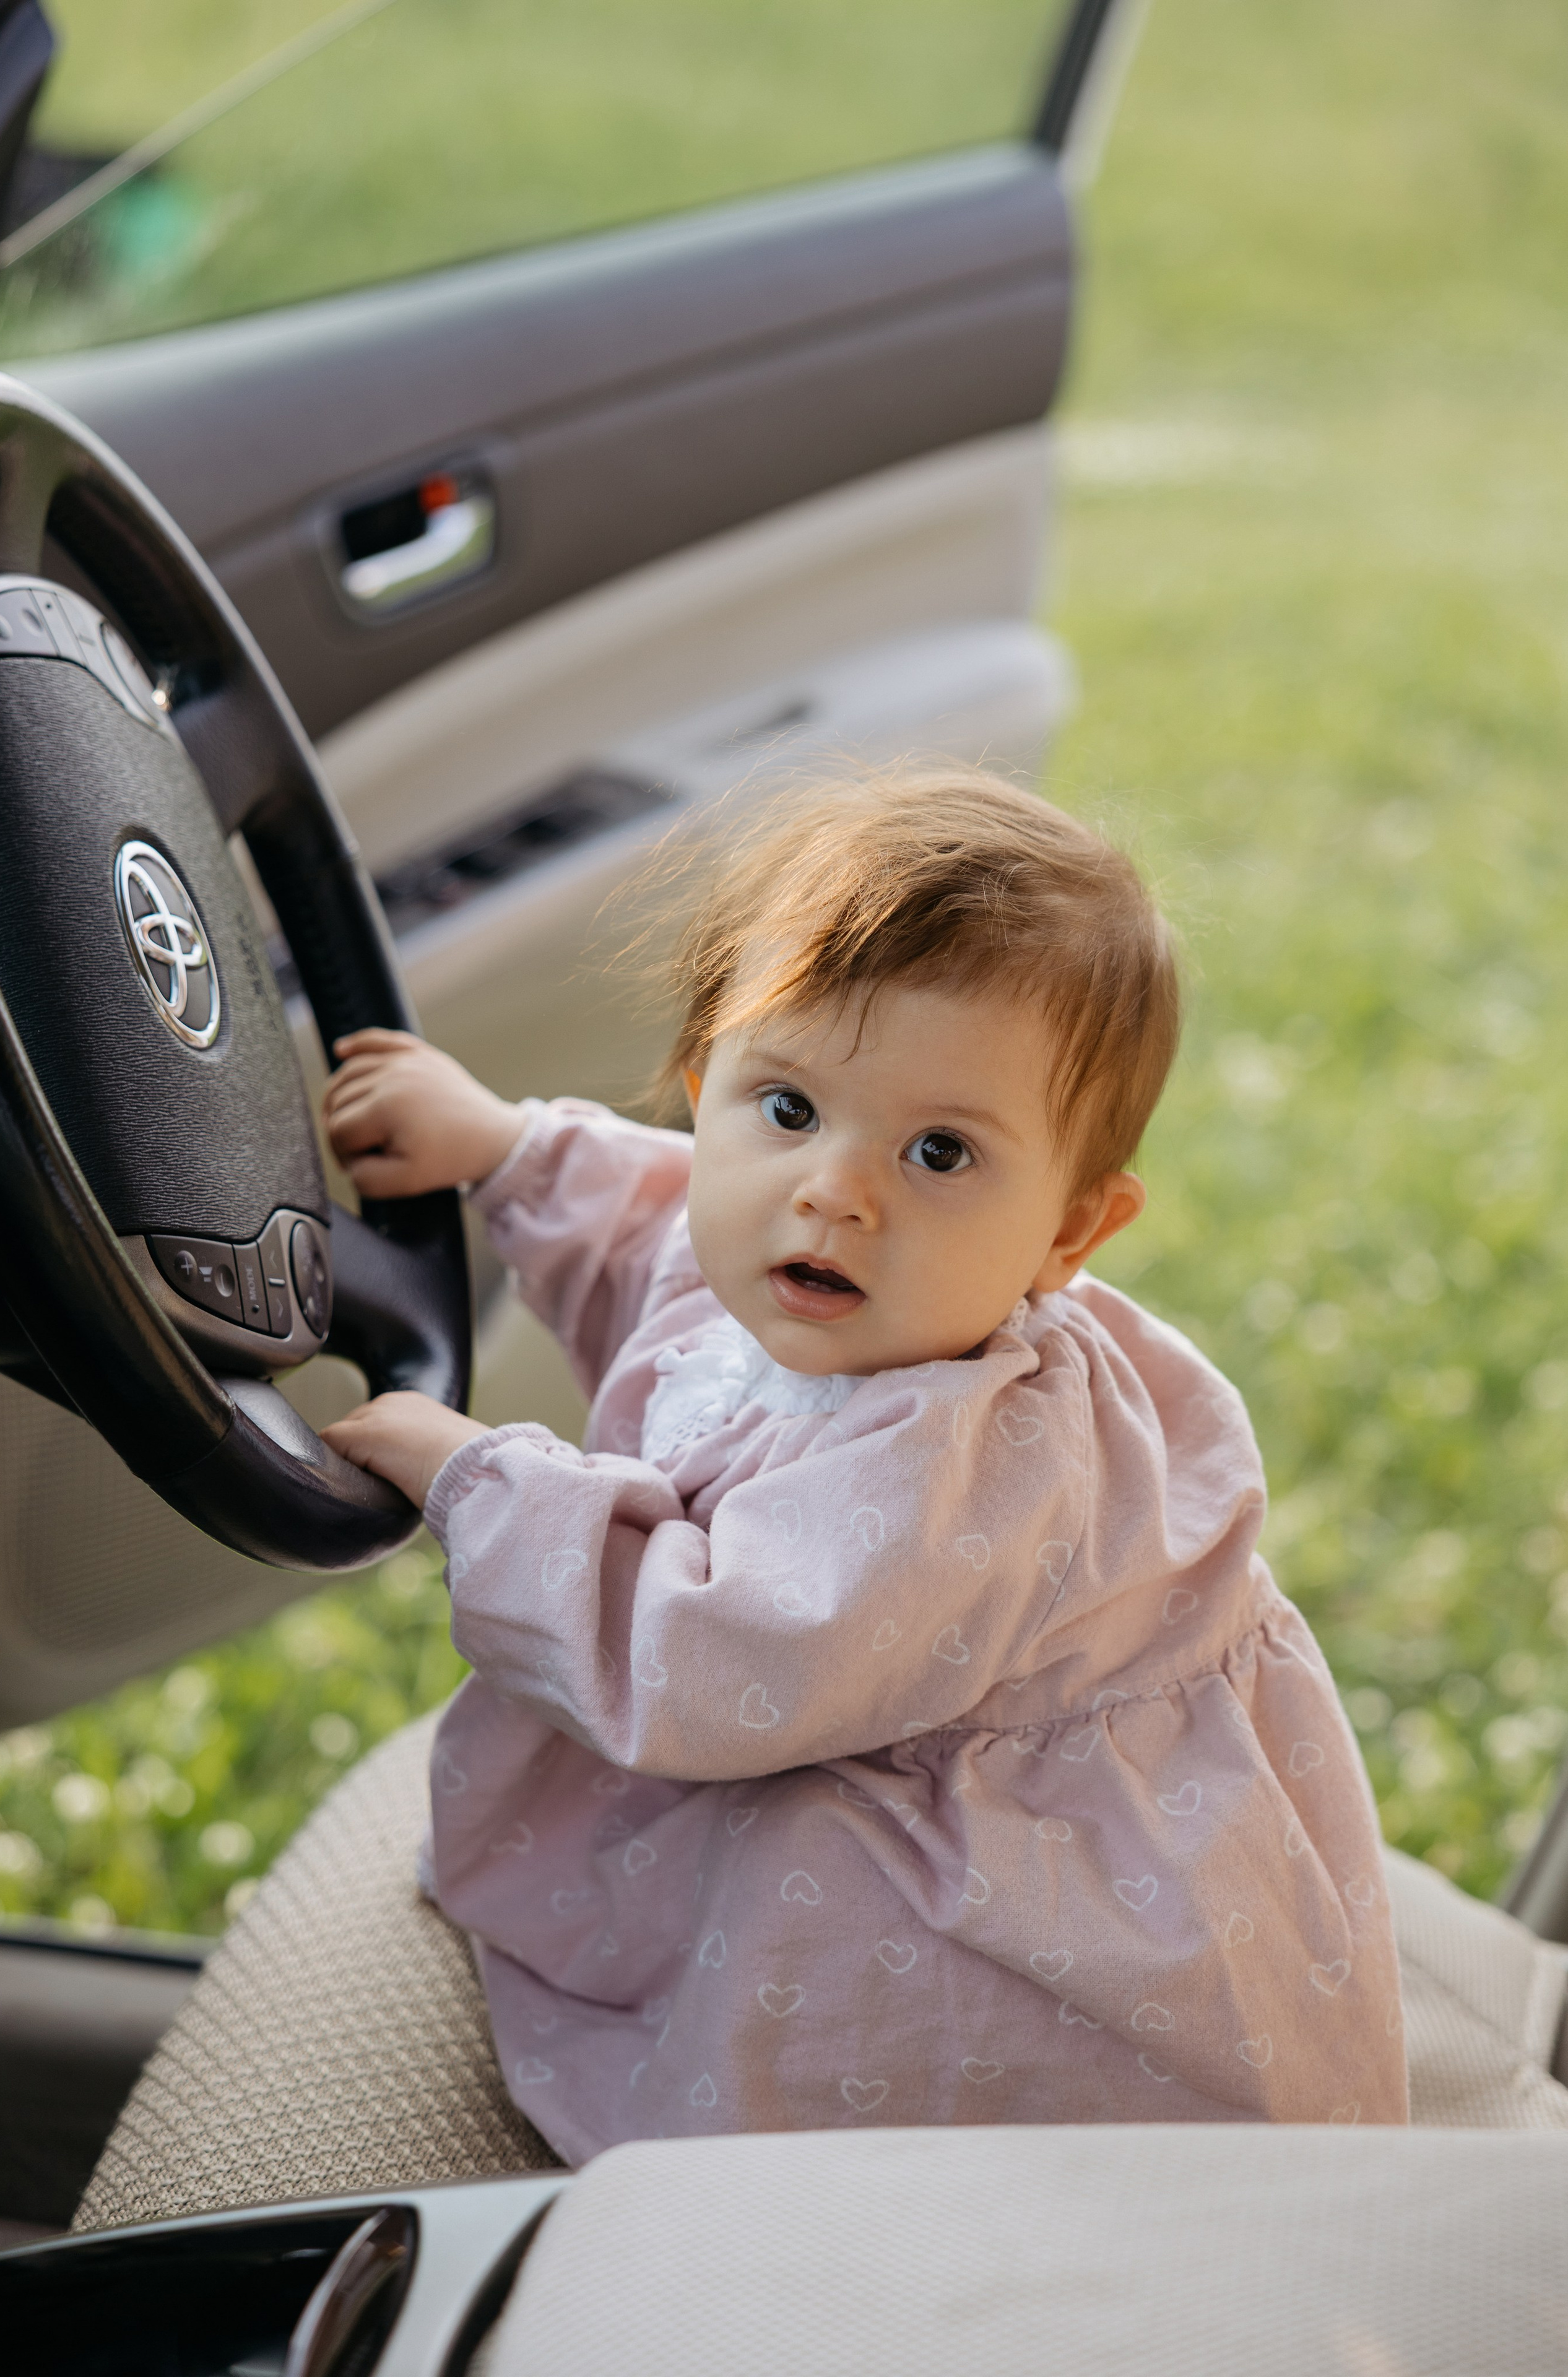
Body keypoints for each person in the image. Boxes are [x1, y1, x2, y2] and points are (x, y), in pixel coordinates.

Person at [322, 764, 1408, 2162]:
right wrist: (511, 1150)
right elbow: (661, 1228)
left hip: (1042, 1947)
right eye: (784, 1108)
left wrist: (478, 1482)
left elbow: (714, 1653)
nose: (836, 1188)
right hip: (848, 1713)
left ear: (1073, 1231)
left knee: (848, 2036)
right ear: (706, 1090)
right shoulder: (810, 1264)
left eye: (939, 1150)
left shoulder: (967, 1452)